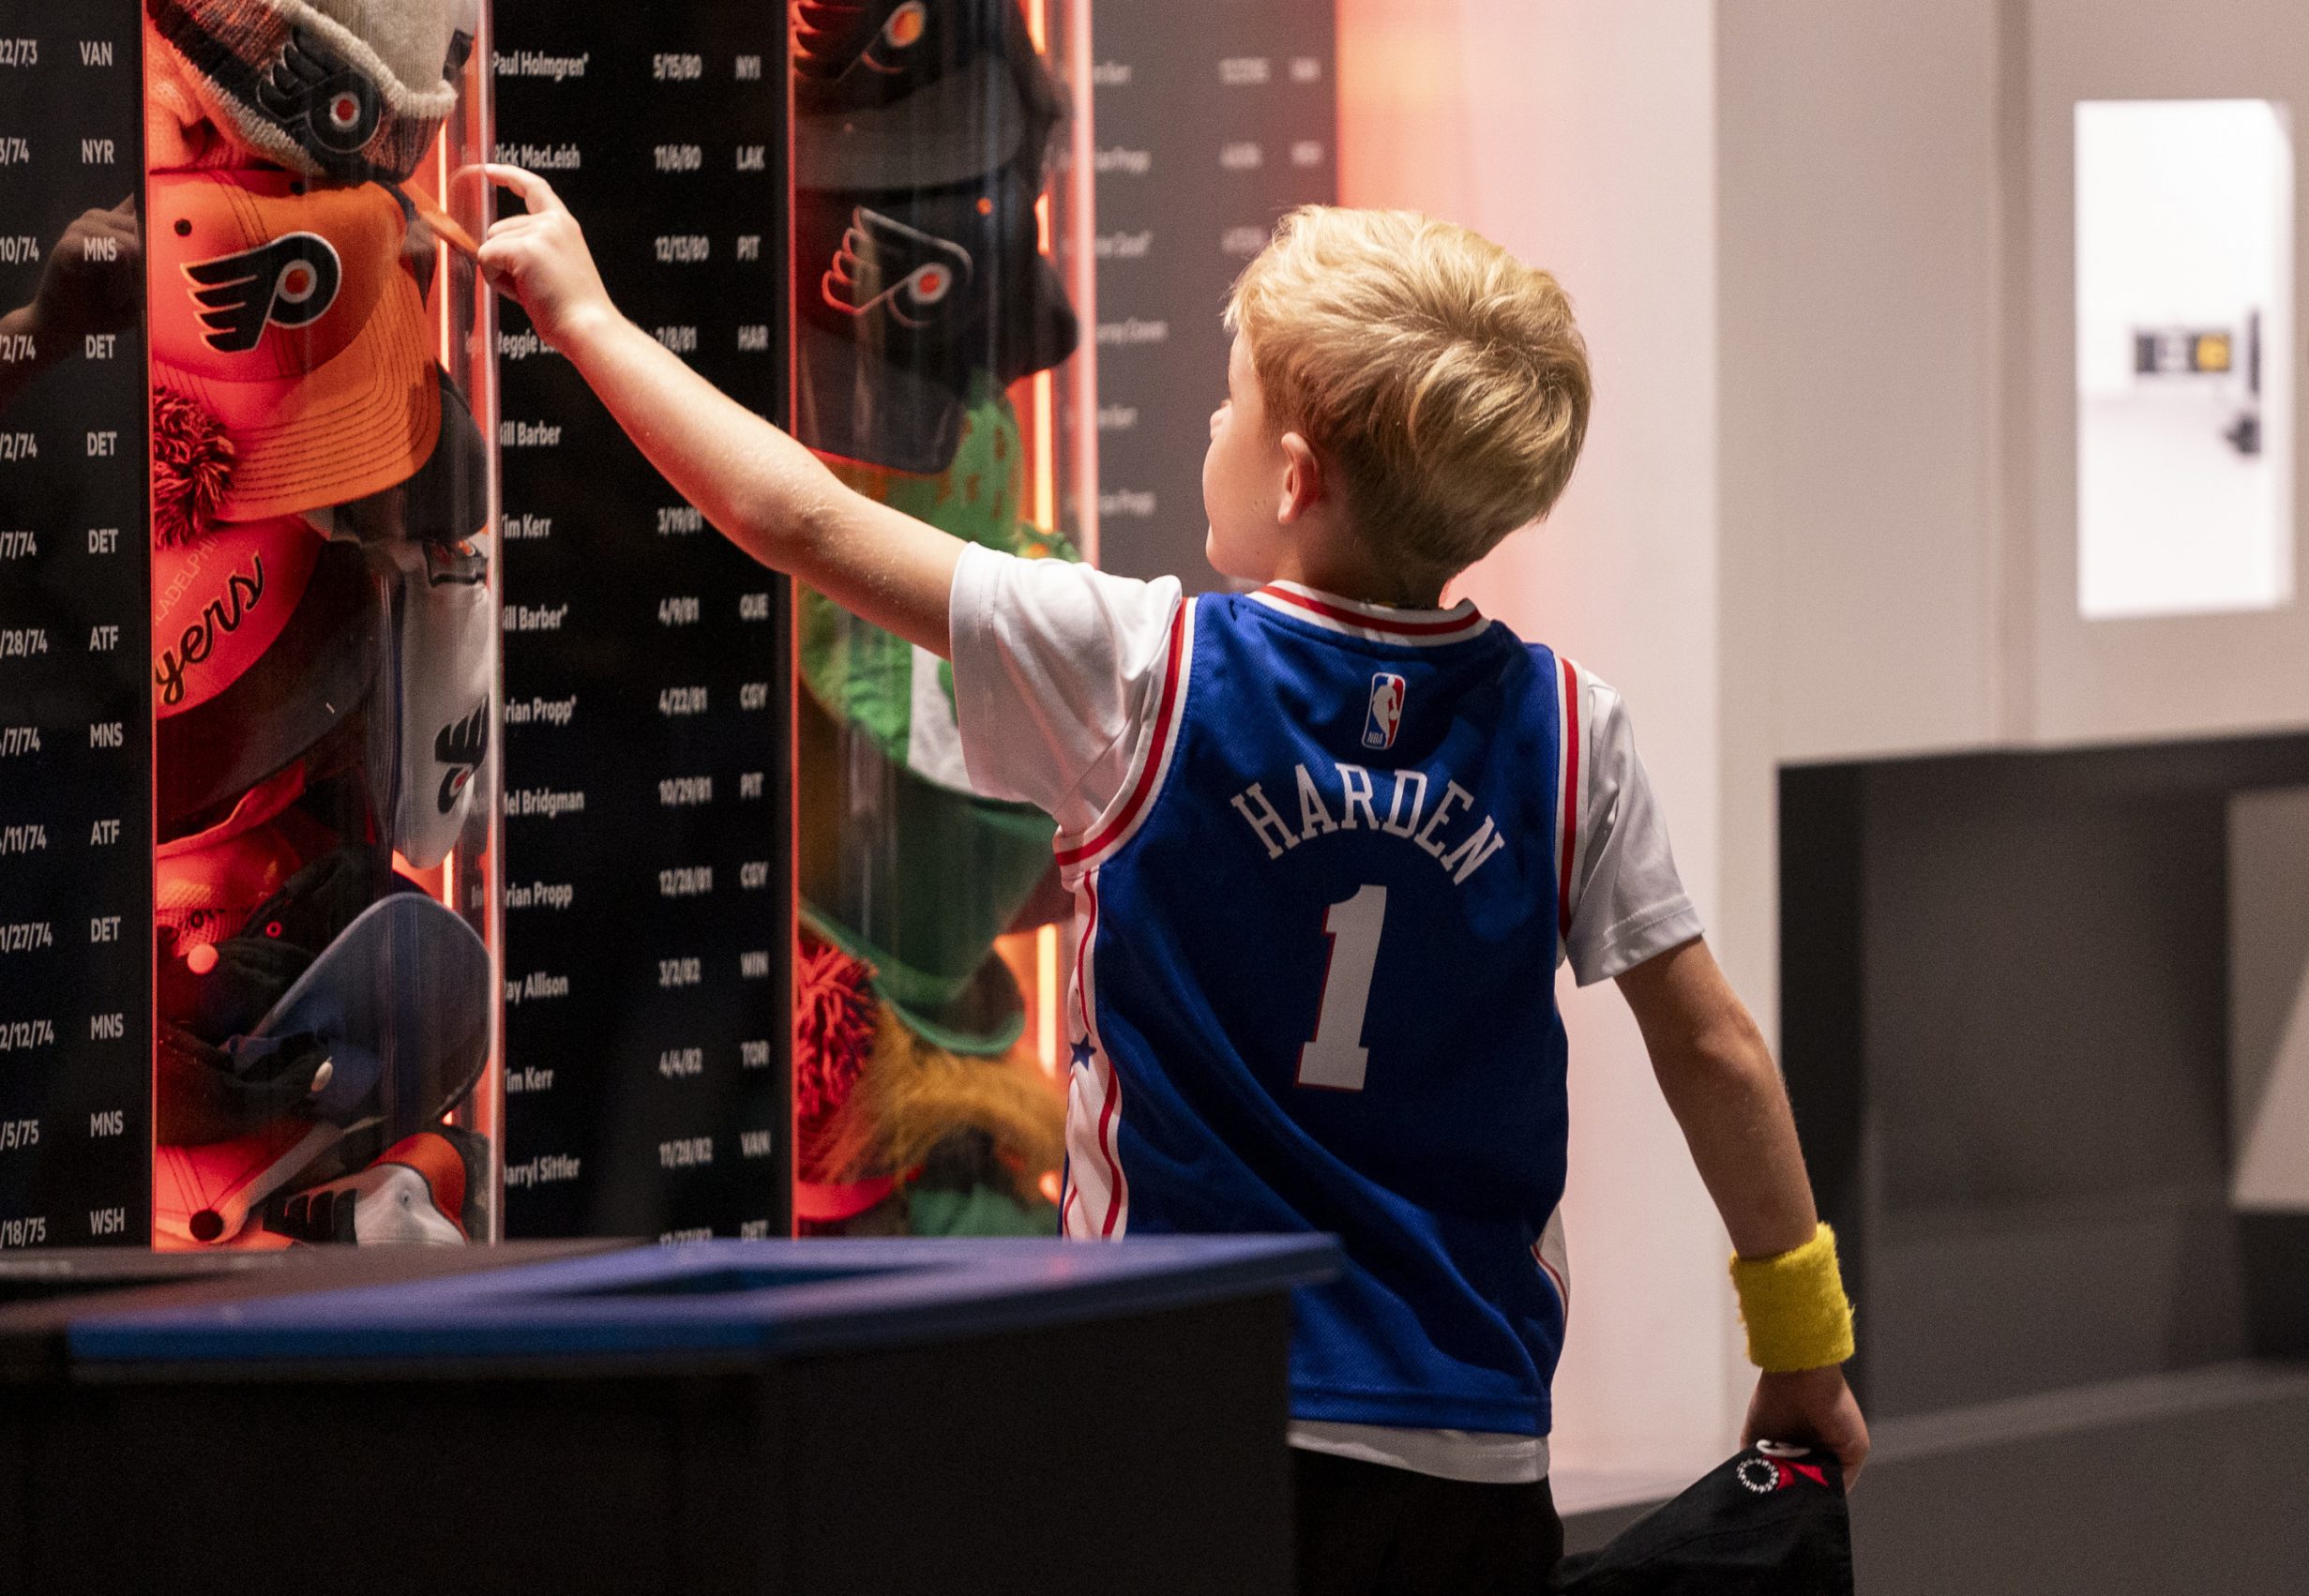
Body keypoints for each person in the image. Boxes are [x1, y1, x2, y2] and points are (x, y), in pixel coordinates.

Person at [469, 164, 1869, 1595]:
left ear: (1295, 473)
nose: (1213, 424)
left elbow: (801, 523)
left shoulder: (1147, 670)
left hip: (1184, 1411)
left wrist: (587, 317)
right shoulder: (1573, 731)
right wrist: (1804, 1339)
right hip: (1469, 1442)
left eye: (1230, 400)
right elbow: (1715, 1047)